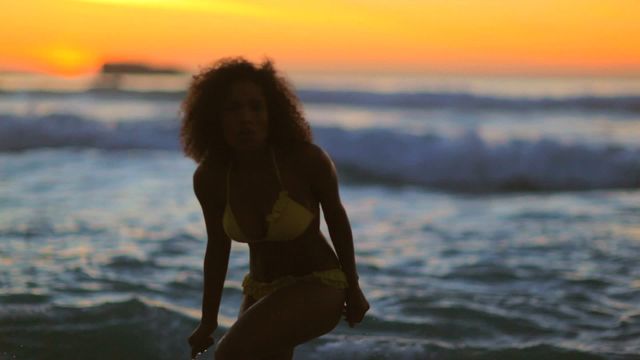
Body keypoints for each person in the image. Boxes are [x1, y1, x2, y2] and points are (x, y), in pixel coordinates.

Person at [181, 57, 369, 360]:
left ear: (272, 113)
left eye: (256, 107)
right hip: (260, 290)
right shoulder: (211, 177)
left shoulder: (306, 160)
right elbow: (217, 248)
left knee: (230, 354)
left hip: (319, 284)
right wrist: (208, 320)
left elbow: (336, 218)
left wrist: (354, 287)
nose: (246, 118)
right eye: (233, 108)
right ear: (214, 117)